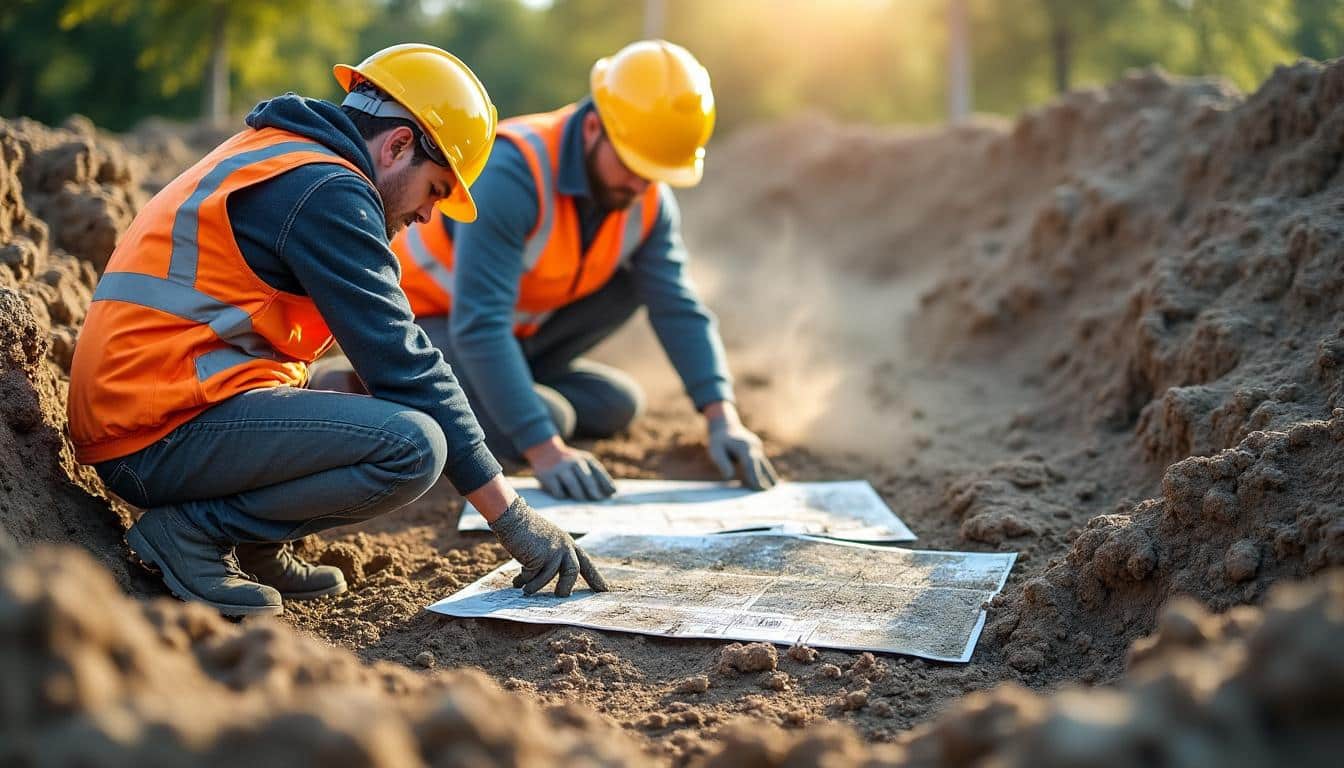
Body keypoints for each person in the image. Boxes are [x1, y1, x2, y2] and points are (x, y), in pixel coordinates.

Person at [67, 44, 607, 617]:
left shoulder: (288, 158)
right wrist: (511, 515)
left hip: (160, 408)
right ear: (399, 146)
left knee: (359, 402)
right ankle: (195, 532)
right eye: (435, 190)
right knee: (412, 446)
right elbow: (404, 362)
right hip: (154, 434)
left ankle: (257, 538)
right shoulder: (325, 190)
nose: (428, 216)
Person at [313, 40, 779, 502]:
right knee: (548, 422)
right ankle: (357, 385)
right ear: (594, 127)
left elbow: (678, 306)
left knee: (617, 403)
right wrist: (545, 448)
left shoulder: (645, 200)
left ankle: (506, 395)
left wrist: (723, 418)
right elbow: (480, 324)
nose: (642, 185)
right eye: (635, 165)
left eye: (655, 173)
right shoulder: (515, 172)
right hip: (427, 328)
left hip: (516, 337)